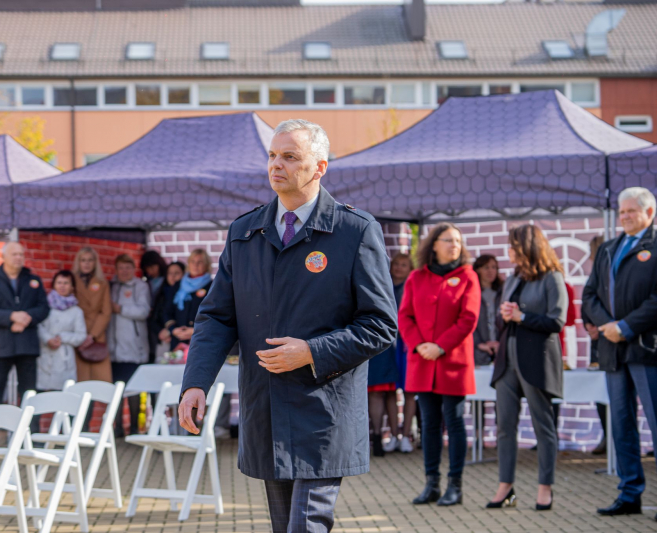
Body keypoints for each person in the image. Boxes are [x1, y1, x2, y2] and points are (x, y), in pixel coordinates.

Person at [179, 119, 397, 533]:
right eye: (272, 155)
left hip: (322, 412)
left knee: (306, 526)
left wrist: (313, 351)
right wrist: (196, 383)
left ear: (319, 168)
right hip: (267, 409)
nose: (276, 165)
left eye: (290, 157)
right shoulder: (244, 232)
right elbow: (216, 317)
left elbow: (380, 324)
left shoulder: (355, 231)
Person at [582, 187, 657, 518]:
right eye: (621, 211)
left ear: (649, 213)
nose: (624, 216)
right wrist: (608, 325)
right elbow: (589, 296)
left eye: (631, 211)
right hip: (613, 352)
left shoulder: (654, 246)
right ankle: (630, 494)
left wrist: (625, 326)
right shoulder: (609, 249)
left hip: (646, 349)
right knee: (622, 424)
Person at [399, 222, 480, 507]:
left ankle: (455, 485)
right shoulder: (416, 278)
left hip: (452, 361)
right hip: (422, 361)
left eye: (458, 241)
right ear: (433, 244)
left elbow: (468, 319)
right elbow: (405, 316)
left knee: (455, 422)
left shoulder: (468, 276)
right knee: (429, 425)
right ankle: (431, 483)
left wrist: (440, 346)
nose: (454, 245)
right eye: (448, 240)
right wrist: (420, 344)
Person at [487, 224, 567, 511]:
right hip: (507, 362)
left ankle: (545, 488)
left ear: (527, 246)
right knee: (504, 427)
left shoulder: (552, 277)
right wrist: (506, 315)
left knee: (542, 426)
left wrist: (522, 316)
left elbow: (557, 321)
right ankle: (505, 487)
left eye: (512, 245)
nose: (509, 251)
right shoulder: (513, 277)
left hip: (537, 361)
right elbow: (504, 320)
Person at [0, 241, 49, 451]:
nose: (19, 257)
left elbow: (43, 308)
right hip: (0, 345)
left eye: (21, 254)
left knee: (29, 391)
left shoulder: (33, 280)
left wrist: (27, 318)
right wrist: (10, 317)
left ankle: (31, 435)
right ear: (5, 257)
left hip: (26, 344)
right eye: (15, 254)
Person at [108, 253, 151, 437]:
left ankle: (134, 428)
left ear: (133, 270)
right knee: (115, 390)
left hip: (134, 347)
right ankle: (118, 428)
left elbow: (144, 310)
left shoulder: (140, 286)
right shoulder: (111, 286)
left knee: (133, 389)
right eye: (121, 268)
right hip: (113, 349)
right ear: (116, 270)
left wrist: (121, 309)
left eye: (128, 268)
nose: (124, 271)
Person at [386, 253, 417, 454]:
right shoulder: (384, 283)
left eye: (404, 265)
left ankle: (406, 436)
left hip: (406, 345)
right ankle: (394, 435)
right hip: (387, 344)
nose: (398, 268)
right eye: (396, 264)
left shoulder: (412, 286)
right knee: (389, 390)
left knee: (409, 392)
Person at [37, 270, 87, 391]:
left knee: (63, 397)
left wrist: (62, 337)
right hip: (45, 355)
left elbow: (81, 335)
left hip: (64, 358)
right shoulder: (44, 306)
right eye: (59, 282)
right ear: (54, 285)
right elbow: (38, 326)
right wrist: (48, 339)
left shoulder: (76, 311)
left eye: (66, 283)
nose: (62, 286)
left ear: (72, 287)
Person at [72, 247, 113, 383]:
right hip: (77, 335)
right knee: (80, 382)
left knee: (101, 382)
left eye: (90, 260)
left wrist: (92, 335)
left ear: (95, 262)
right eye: (83, 260)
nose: (87, 263)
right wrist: (81, 335)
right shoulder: (71, 281)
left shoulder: (102, 283)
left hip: (97, 336)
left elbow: (106, 311)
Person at [582, 235, 607, 455]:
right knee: (600, 393)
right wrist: (589, 325)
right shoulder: (593, 277)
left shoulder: (610, 275)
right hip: (597, 342)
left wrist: (601, 326)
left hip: (611, 339)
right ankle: (607, 436)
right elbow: (586, 304)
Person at [164, 249, 213, 349]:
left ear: (207, 265)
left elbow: (214, 314)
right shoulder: (178, 285)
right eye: (193, 262)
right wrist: (173, 329)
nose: (195, 265)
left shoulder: (212, 286)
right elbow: (166, 311)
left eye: (200, 262)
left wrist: (195, 330)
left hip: (202, 340)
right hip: (178, 340)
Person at [473, 254, 503, 366]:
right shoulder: (472, 292)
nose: (490, 271)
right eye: (486, 267)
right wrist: (478, 344)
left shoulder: (504, 291)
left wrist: (501, 342)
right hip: (478, 351)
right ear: (478, 270)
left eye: (494, 267)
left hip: (500, 350)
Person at [141, 250, 167, 363]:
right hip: (150, 320)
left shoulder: (166, 280)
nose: (150, 270)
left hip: (162, 319)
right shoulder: (146, 282)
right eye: (147, 268)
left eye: (152, 266)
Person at [154, 261, 185, 355]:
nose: (173, 276)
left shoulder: (187, 294)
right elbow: (154, 318)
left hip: (182, 337)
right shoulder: (161, 294)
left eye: (177, 273)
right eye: (170, 273)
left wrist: (172, 331)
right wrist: (160, 331)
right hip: (164, 340)